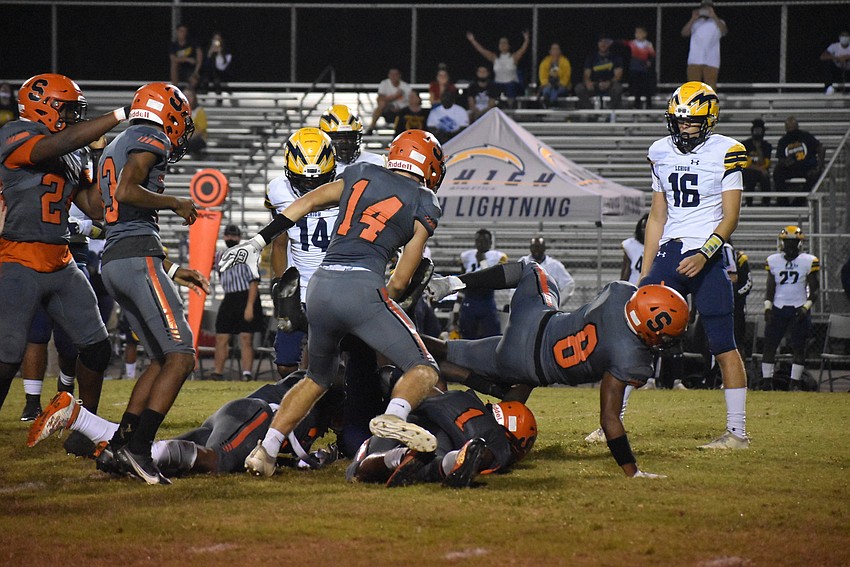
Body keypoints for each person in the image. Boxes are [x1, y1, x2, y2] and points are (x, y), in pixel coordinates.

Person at [219, 129, 446, 477]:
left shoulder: (361, 172)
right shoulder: (424, 200)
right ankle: (393, 417)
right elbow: (400, 281)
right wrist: (382, 306)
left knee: (316, 378)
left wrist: (257, 241)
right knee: (424, 367)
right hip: (362, 287)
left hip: (320, 288)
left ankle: (266, 451)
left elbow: (307, 202)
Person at [425, 262, 689, 477]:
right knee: (512, 399)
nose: (665, 342)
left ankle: (447, 287)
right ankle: (481, 430)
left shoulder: (620, 291)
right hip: (527, 368)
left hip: (532, 322)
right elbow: (610, 419)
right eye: (665, 336)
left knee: (531, 269)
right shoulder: (631, 358)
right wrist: (632, 471)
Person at [96, 82, 210, 485]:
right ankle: (140, 450)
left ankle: (118, 446)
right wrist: (175, 202)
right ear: (168, 113)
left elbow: (106, 207)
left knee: (162, 359)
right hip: (136, 256)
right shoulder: (151, 135)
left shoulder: (115, 145)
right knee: (182, 356)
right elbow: (127, 190)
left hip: (117, 259)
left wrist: (172, 267)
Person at [0, 74, 131, 417]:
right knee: (7, 355)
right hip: (18, 257)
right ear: (45, 107)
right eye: (68, 109)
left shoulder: (72, 150)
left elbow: (95, 207)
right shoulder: (14, 133)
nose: (73, 117)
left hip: (61, 259)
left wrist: (99, 156)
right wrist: (121, 113)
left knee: (97, 348)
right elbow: (54, 146)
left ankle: (86, 425)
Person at [642, 81, 750, 449]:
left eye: (691, 121)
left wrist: (704, 253)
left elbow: (731, 217)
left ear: (709, 120)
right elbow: (657, 217)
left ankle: (737, 433)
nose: (683, 127)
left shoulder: (727, 151)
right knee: (635, 336)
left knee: (722, 343)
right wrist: (645, 271)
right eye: (679, 120)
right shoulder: (659, 151)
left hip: (708, 254)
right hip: (671, 252)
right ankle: (611, 423)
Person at [29, 370, 342, 475]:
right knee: (218, 461)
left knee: (160, 453)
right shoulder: (331, 386)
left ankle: (81, 420)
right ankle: (121, 452)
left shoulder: (318, 383)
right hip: (255, 415)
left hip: (237, 415)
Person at [347, 389, 536, 488]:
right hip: (456, 434)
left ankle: (400, 455)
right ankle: (452, 460)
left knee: (356, 470)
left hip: (413, 416)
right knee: (492, 452)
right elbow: (497, 452)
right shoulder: (495, 433)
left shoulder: (465, 397)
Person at [266, 127, 338, 378]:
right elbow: (279, 242)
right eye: (303, 181)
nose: (311, 188)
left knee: (344, 360)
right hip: (300, 290)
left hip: (338, 288)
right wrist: (279, 282)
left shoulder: (347, 188)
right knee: (285, 364)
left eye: (318, 181)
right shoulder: (278, 190)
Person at [762, 226, 819, 391]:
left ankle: (794, 384)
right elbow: (770, 288)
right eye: (787, 242)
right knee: (769, 345)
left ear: (800, 244)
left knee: (799, 347)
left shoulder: (808, 261)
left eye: (793, 242)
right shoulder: (773, 260)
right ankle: (767, 383)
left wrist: (806, 308)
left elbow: (815, 289)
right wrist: (767, 307)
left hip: (798, 308)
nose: (790, 246)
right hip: (778, 307)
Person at [211, 224, 263, 381]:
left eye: (233, 236)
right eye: (228, 235)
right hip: (229, 297)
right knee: (221, 336)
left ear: (239, 238)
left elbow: (254, 282)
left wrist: (249, 306)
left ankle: (247, 373)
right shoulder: (219, 256)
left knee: (246, 337)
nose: (230, 238)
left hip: (246, 296)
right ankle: (218, 372)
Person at [452, 228, 508, 339]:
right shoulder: (467, 256)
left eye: (484, 241)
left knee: (492, 336)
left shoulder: (498, 256)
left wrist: (483, 262)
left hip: (487, 300)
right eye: (478, 241)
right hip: (470, 300)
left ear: (490, 243)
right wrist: (456, 308)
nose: (480, 244)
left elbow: (493, 280)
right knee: (466, 336)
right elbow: (461, 284)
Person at [466, 30, 530, 106]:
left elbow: (523, 49)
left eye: (505, 43)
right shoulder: (494, 58)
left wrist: (526, 39)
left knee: (511, 86)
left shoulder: (514, 57)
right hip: (498, 84)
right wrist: (473, 40)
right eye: (501, 43)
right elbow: (482, 50)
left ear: (509, 45)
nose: (502, 45)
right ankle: (490, 106)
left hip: (511, 84)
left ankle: (510, 106)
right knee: (491, 86)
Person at [773, 116, 824, 206]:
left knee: (815, 174)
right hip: (791, 168)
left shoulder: (806, 136)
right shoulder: (783, 141)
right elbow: (780, 158)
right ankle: (783, 202)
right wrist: (785, 162)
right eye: (789, 128)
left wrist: (819, 166)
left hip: (806, 167)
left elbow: (821, 148)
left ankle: (799, 202)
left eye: (793, 128)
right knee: (777, 172)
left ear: (797, 126)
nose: (791, 131)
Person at [682, 1, 727, 89]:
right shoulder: (695, 22)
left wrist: (714, 16)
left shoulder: (719, 22)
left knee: (710, 87)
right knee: (693, 87)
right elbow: (684, 33)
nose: (705, 10)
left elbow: (724, 31)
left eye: (708, 8)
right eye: (704, 8)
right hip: (695, 59)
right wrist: (693, 19)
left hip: (712, 60)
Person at [520, 236, 574, 309]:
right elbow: (514, 285)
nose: (536, 250)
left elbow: (569, 284)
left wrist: (558, 302)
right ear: (530, 248)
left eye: (539, 247)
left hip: (548, 306)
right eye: (534, 247)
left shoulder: (554, 265)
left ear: (544, 248)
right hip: (527, 305)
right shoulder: (523, 262)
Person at [574, 35, 624, 112]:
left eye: (605, 42)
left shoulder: (615, 58)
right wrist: (588, 82)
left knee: (618, 88)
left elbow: (618, 75)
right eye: (601, 42)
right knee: (579, 88)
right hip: (595, 85)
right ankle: (591, 111)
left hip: (609, 85)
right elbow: (586, 74)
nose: (603, 44)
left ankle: (608, 112)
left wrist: (609, 83)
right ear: (598, 44)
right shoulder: (591, 57)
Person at [722, 239, 752, 357]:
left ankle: (740, 367)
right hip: (718, 306)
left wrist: (734, 295)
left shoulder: (740, 259)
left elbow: (748, 284)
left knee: (737, 343)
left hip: (737, 309)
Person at [366, 68, 412, 135]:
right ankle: (371, 128)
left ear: (399, 75)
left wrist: (400, 108)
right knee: (381, 104)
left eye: (395, 74)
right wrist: (394, 96)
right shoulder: (384, 83)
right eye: (391, 74)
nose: (393, 76)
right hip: (388, 109)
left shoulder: (405, 86)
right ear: (389, 75)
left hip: (402, 110)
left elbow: (410, 101)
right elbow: (379, 99)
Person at [741, 119, 773, 206]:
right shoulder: (745, 144)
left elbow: (765, 163)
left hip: (761, 172)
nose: (757, 133)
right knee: (751, 175)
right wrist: (759, 169)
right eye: (756, 130)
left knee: (765, 177)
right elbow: (745, 163)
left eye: (759, 131)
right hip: (748, 172)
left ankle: (766, 202)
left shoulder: (767, 146)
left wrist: (758, 148)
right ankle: (749, 202)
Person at [626, 26, 656, 109]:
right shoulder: (632, 43)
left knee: (647, 88)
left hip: (644, 69)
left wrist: (649, 61)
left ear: (645, 34)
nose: (637, 34)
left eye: (640, 32)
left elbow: (652, 55)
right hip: (635, 68)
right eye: (636, 32)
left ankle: (649, 106)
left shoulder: (648, 44)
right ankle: (636, 105)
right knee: (636, 88)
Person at [203, 31, 233, 105]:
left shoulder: (226, 51)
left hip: (221, 73)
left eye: (218, 39)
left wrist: (220, 53)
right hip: (209, 73)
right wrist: (209, 54)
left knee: (217, 80)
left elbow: (223, 67)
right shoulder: (207, 49)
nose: (216, 41)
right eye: (215, 39)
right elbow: (205, 65)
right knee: (205, 80)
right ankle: (204, 96)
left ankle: (219, 98)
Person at [537, 43, 572, 108]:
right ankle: (547, 102)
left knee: (555, 91)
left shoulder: (565, 62)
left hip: (561, 86)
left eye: (557, 49)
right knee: (547, 90)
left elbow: (566, 77)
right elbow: (542, 77)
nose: (555, 51)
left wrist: (559, 84)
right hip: (548, 85)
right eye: (553, 49)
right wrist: (547, 84)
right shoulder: (545, 62)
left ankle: (551, 104)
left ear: (560, 51)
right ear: (550, 51)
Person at [169, 23, 203, 89]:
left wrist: (196, 71)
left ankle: (189, 91)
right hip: (179, 69)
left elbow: (199, 56)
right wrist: (187, 59)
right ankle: (175, 88)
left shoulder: (192, 43)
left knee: (194, 80)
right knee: (174, 64)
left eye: (184, 31)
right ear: (177, 32)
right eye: (181, 31)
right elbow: (173, 59)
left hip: (190, 69)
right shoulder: (173, 45)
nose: (183, 33)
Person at [620, 213, 648, 284]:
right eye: (643, 227)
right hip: (634, 284)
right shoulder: (630, 245)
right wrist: (622, 286)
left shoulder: (662, 246)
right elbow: (626, 270)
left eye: (648, 227)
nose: (645, 230)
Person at [820, 31, 850, 95]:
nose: (845, 38)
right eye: (843, 36)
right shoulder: (834, 46)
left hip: (848, 69)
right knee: (827, 63)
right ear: (840, 38)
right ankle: (829, 88)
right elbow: (822, 56)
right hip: (837, 70)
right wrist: (837, 58)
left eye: (846, 36)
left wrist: (846, 57)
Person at [184, 89, 207, 157]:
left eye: (189, 96)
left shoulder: (199, 111)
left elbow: (201, 129)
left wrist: (187, 138)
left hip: (195, 139)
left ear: (194, 98)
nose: (187, 98)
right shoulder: (178, 112)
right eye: (185, 96)